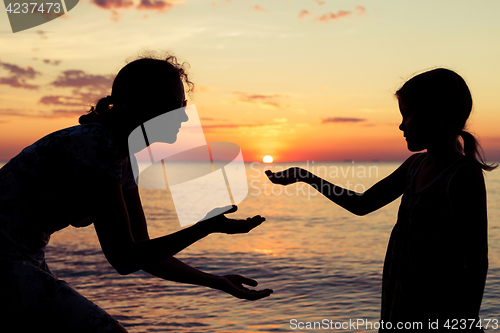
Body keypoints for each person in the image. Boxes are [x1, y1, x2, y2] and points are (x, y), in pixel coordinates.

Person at [0, 54, 272, 333]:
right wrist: (204, 229)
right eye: (175, 104)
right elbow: (124, 258)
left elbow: (141, 249)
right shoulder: (97, 146)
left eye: (185, 104)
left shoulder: (123, 156)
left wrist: (215, 280)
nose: (183, 114)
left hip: (24, 259)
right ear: (141, 104)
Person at [266, 68, 495, 332]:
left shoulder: (462, 175)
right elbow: (362, 204)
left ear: (436, 114)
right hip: (400, 307)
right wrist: (306, 177)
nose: (401, 125)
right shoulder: (414, 166)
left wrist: (464, 321)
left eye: (407, 114)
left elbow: (477, 261)